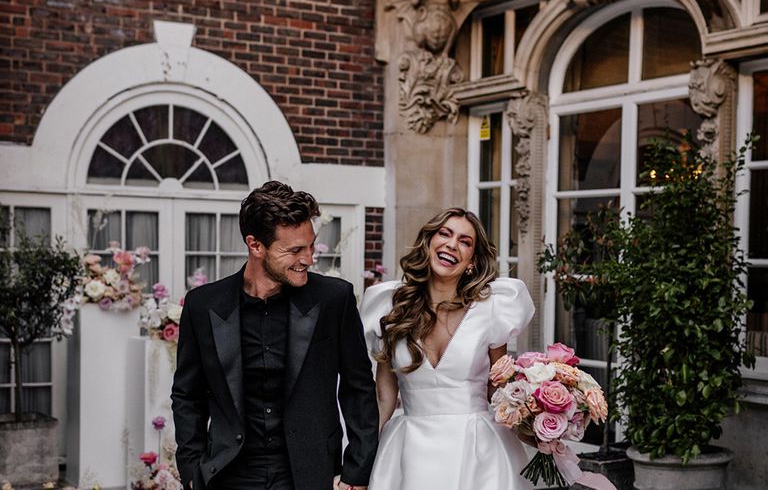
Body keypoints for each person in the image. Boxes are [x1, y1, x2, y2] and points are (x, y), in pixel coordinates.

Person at [172, 180, 379, 490]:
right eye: (295, 250)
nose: (309, 258)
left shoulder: (335, 299)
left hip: (308, 474)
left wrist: (356, 471)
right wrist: (191, 469)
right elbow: (187, 395)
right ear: (256, 245)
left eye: (310, 246)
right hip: (228, 475)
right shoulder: (203, 305)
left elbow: (358, 388)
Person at [360, 207, 535, 489]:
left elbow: (498, 391)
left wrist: (538, 427)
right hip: (409, 451)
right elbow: (384, 400)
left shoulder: (491, 309)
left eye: (465, 242)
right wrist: (359, 461)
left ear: (472, 261)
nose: (452, 244)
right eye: (445, 234)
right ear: (429, 242)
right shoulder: (390, 309)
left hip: (479, 452)